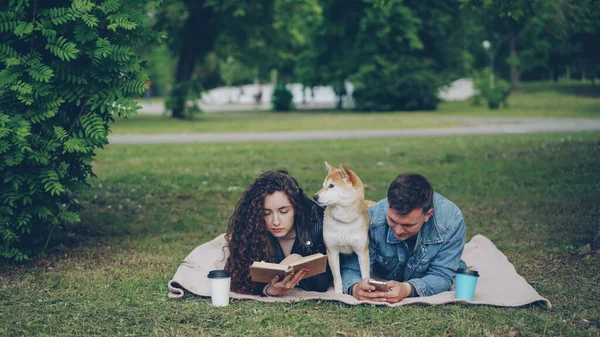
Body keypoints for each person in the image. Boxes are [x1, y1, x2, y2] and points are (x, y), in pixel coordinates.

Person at [341, 173, 467, 303]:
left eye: (408, 225)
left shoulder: (451, 222)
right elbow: (352, 268)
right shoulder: (372, 219)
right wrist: (355, 287)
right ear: (388, 204)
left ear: (428, 215)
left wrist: (408, 289)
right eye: (392, 220)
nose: (398, 230)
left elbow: (442, 275)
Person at [224, 170, 332, 296]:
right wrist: (270, 290)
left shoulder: (318, 223)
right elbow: (242, 278)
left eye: (284, 211)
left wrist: (297, 259)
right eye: (266, 213)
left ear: (296, 208)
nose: (275, 222)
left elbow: (322, 283)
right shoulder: (253, 229)